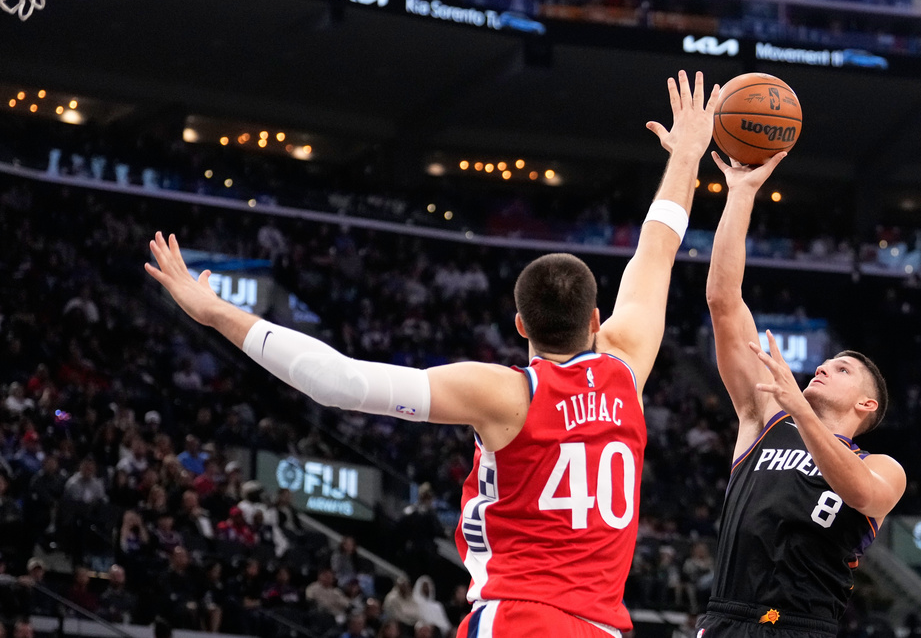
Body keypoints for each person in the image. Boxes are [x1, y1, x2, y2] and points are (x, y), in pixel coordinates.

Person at [145, 70, 720, 638]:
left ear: (519, 323)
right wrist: (688, 153)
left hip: (519, 619)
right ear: (597, 320)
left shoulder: (504, 393)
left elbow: (337, 382)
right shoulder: (626, 367)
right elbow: (659, 245)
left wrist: (216, 312)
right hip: (603, 627)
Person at [699, 149, 907, 636]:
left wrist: (801, 411)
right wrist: (741, 194)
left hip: (801, 626)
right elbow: (723, 303)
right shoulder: (765, 415)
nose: (821, 368)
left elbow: (859, 491)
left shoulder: (882, 468)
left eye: (841, 368)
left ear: (867, 404)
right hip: (726, 618)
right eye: (825, 362)